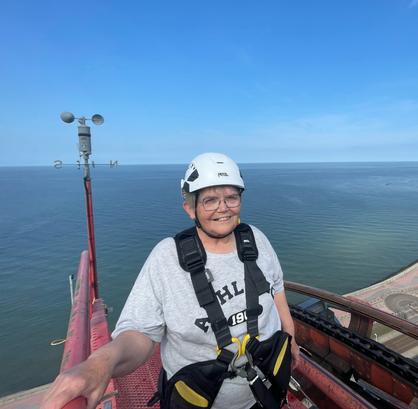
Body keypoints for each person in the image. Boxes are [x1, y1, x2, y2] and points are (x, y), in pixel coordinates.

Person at [41, 153, 300, 409]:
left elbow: (276, 291)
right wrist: (101, 363)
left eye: (231, 197)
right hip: (200, 401)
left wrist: (291, 340)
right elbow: (140, 333)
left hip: (261, 395)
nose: (223, 208)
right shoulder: (167, 258)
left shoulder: (256, 241)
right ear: (190, 208)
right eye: (210, 200)